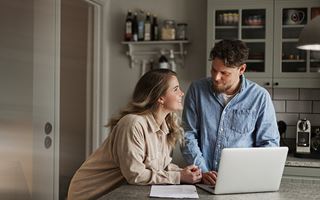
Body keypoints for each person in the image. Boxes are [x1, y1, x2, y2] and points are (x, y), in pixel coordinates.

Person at [68, 69, 202, 200]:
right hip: (90, 194)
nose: (182, 93)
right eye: (175, 89)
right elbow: (135, 174)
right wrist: (179, 177)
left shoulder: (165, 127)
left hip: (117, 193)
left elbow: (160, 166)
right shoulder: (133, 124)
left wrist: (185, 172)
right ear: (160, 98)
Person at [181, 39, 279, 186]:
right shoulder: (197, 90)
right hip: (202, 181)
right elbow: (187, 135)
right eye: (214, 70)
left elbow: (269, 144)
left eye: (224, 73)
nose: (216, 77)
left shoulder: (260, 97)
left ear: (241, 69)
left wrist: (245, 174)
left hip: (242, 182)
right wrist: (203, 171)